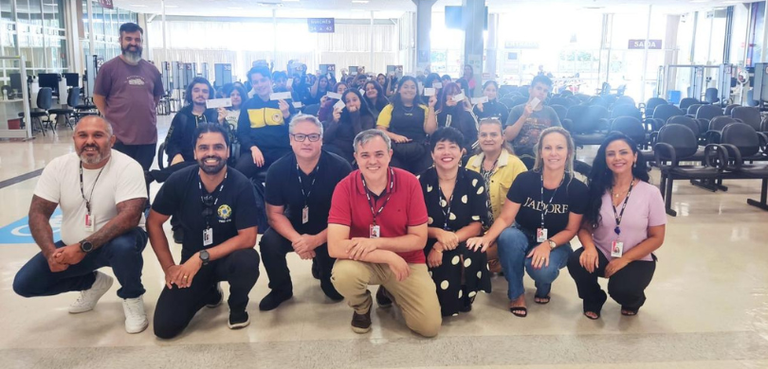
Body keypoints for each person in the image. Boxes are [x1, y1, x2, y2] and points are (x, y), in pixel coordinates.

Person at [13, 116, 149, 333]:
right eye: (82, 135)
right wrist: (50, 253)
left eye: (98, 135)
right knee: (25, 284)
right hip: (73, 244)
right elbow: (38, 213)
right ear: (74, 139)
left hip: (120, 239)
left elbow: (130, 216)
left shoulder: (127, 166)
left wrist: (83, 247)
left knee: (122, 247)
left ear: (111, 140)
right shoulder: (58, 167)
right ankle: (93, 283)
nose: (89, 141)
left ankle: (132, 297)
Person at [149, 124, 260, 338]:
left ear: (228, 151)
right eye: (204, 147)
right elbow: (154, 222)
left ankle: (237, 306)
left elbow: (248, 238)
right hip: (191, 263)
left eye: (218, 147)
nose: (211, 153)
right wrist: (170, 268)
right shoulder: (179, 180)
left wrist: (202, 257)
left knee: (247, 259)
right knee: (165, 328)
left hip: (228, 258)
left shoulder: (241, 184)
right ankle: (208, 292)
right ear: (195, 152)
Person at [328, 129, 441, 337]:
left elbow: (419, 239)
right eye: (365, 155)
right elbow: (335, 246)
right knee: (343, 275)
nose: (373, 161)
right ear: (356, 158)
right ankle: (362, 307)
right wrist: (387, 255)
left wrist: (377, 244)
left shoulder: (409, 182)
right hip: (364, 259)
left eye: (379, 154)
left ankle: (389, 289)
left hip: (407, 261)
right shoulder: (344, 187)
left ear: (390, 154)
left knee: (429, 327)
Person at [466, 127, 588, 318]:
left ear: (569, 152)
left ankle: (543, 285)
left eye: (559, 148)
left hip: (557, 241)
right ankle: (516, 294)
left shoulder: (577, 188)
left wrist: (548, 245)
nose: (553, 153)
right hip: (523, 232)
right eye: (548, 148)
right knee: (508, 237)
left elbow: (572, 229)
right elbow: (506, 218)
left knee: (540, 270)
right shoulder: (525, 180)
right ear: (540, 152)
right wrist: (487, 238)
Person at [259, 115, 353, 311]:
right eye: (300, 136)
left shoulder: (340, 167)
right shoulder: (277, 170)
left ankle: (322, 266)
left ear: (321, 139)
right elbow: (274, 215)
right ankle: (281, 288)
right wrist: (299, 241)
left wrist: (317, 240)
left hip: (330, 226)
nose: (307, 142)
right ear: (291, 139)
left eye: (313, 136)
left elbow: (349, 217)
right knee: (269, 242)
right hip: (293, 223)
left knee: (333, 292)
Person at [567, 133, 666, 319]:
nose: (617, 158)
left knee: (621, 290)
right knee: (576, 261)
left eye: (623, 152)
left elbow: (657, 237)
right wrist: (589, 247)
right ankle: (593, 298)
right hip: (603, 251)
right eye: (611, 154)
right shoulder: (597, 189)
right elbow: (584, 227)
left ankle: (633, 300)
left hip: (636, 256)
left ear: (634, 156)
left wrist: (624, 259)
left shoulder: (651, 193)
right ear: (605, 159)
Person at [419, 128, 490, 317]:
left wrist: (443, 243)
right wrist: (438, 234)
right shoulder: (419, 181)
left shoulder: (474, 180)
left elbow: (478, 224)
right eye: (440, 147)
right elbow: (414, 225)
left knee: (473, 250)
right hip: (427, 238)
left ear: (461, 152)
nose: (446, 152)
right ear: (432, 153)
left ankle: (465, 296)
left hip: (462, 237)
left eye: (452, 147)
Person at [93, 22, 163, 171]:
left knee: (143, 178)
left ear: (142, 42)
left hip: (147, 138)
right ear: (121, 40)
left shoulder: (152, 70)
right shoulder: (108, 68)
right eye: (129, 39)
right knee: (120, 179)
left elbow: (155, 98)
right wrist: (114, 116)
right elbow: (98, 98)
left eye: (137, 40)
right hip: (119, 139)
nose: (133, 43)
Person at [466, 118, 527, 273]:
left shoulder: (515, 165)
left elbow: (526, 205)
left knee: (472, 255)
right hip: (477, 227)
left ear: (502, 138)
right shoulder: (471, 162)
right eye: (483, 134)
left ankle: (499, 258)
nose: (488, 139)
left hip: (506, 229)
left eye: (493, 134)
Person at [235, 66, 296, 180]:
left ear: (270, 81)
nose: (260, 85)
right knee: (238, 175)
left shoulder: (284, 101)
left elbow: (296, 129)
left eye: (263, 80)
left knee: (291, 173)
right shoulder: (248, 105)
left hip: (281, 150)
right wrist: (252, 147)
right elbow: (242, 132)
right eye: (256, 82)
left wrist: (287, 115)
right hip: (256, 150)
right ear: (252, 85)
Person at [158, 77, 219, 181]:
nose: (200, 94)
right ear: (191, 93)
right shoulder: (182, 116)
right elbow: (171, 142)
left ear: (209, 95)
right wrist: (176, 155)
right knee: (187, 168)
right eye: (196, 90)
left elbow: (224, 140)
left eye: (205, 91)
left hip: (209, 156)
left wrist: (221, 123)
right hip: (186, 158)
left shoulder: (215, 115)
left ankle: (154, 175)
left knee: (191, 168)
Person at [376, 76, 438, 175]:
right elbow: (380, 130)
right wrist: (395, 136)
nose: (409, 90)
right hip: (396, 151)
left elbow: (430, 131)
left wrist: (431, 107)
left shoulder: (424, 108)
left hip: (419, 151)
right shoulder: (389, 108)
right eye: (406, 87)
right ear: (399, 89)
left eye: (413, 87)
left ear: (417, 91)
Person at [504, 75, 561, 169]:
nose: (542, 92)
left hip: (544, 155)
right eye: (539, 88)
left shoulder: (550, 111)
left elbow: (560, 135)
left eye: (545, 90)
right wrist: (524, 116)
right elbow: (508, 137)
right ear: (530, 89)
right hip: (522, 155)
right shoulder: (517, 110)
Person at [324, 89, 377, 163]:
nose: (351, 104)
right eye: (348, 101)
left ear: (360, 101)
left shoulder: (367, 118)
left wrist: (355, 116)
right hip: (331, 148)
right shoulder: (341, 115)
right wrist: (334, 122)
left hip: (349, 154)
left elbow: (362, 142)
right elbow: (326, 139)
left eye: (354, 100)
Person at [435, 82, 478, 156]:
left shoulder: (468, 113)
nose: (453, 97)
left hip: (466, 151)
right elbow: (442, 133)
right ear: (445, 96)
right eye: (449, 94)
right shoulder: (438, 114)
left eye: (455, 94)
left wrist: (466, 149)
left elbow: (477, 136)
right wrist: (448, 110)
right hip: (445, 151)